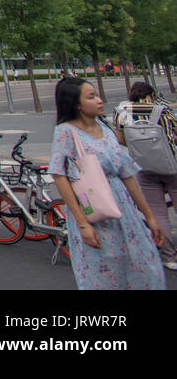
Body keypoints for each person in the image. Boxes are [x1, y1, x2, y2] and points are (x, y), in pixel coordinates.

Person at [49, 77, 166, 290]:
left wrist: (149, 216)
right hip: (95, 214)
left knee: (145, 266)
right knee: (105, 275)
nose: (100, 101)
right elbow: (60, 177)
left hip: (125, 212)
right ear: (76, 104)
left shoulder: (106, 128)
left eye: (97, 95)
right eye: (91, 97)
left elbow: (127, 174)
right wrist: (82, 224)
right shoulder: (66, 132)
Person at [112, 81, 177, 271]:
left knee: (157, 213)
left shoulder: (121, 111)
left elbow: (120, 139)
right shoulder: (161, 110)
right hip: (171, 166)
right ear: (151, 94)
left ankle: (169, 257)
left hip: (143, 167)